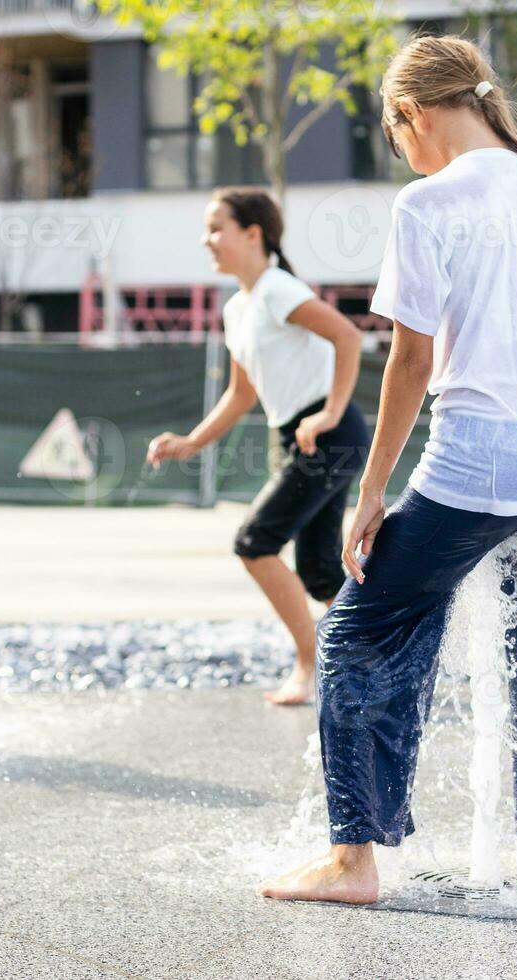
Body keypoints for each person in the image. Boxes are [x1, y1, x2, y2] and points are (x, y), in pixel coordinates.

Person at [259, 36, 517, 905]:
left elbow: (409, 363)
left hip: (481, 466)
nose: (402, 150)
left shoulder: (429, 202)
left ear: (414, 115)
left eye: (395, 131)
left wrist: (369, 495)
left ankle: (354, 861)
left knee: (362, 630)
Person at [148, 187, 368, 706]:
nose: (207, 240)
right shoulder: (237, 308)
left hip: (329, 435)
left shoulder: (276, 289)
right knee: (318, 572)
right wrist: (190, 442)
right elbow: (242, 393)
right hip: (297, 436)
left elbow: (347, 337)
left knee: (254, 542)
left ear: (253, 234)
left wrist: (331, 412)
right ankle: (375, 660)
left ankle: (312, 665)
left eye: (216, 227)